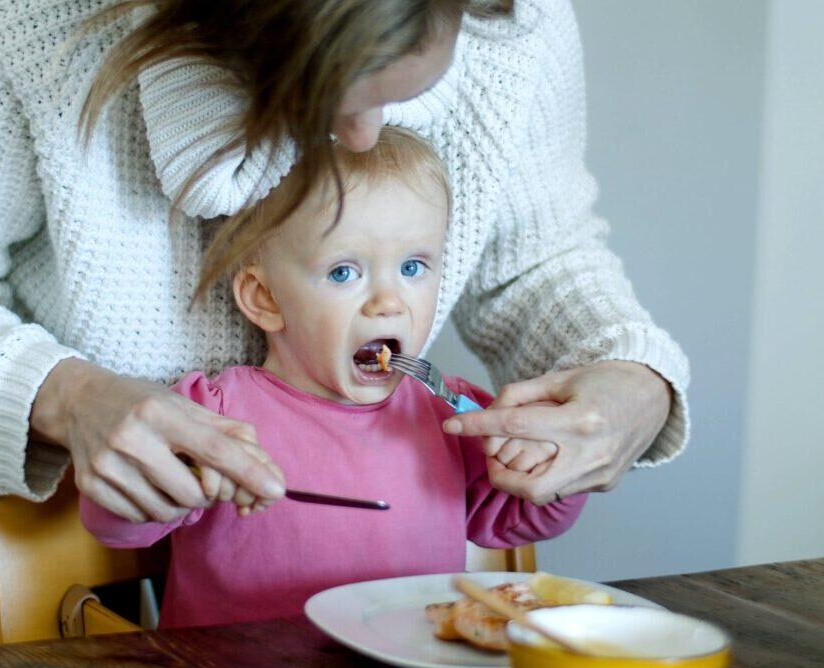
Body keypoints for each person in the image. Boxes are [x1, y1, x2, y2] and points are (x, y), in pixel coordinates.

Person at [0, 0, 688, 651]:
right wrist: (64, 398)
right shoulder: (27, 22)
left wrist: (630, 381)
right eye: (322, 99)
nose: (356, 140)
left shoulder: (515, 24)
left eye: (398, 96)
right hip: (34, 484)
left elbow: (539, 258)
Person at [80, 126, 587, 627]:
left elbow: (524, 517)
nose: (389, 302)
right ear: (266, 298)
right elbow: (120, 525)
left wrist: (549, 468)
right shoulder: (209, 416)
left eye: (413, 267)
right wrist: (155, 486)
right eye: (345, 272)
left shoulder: (454, 416)